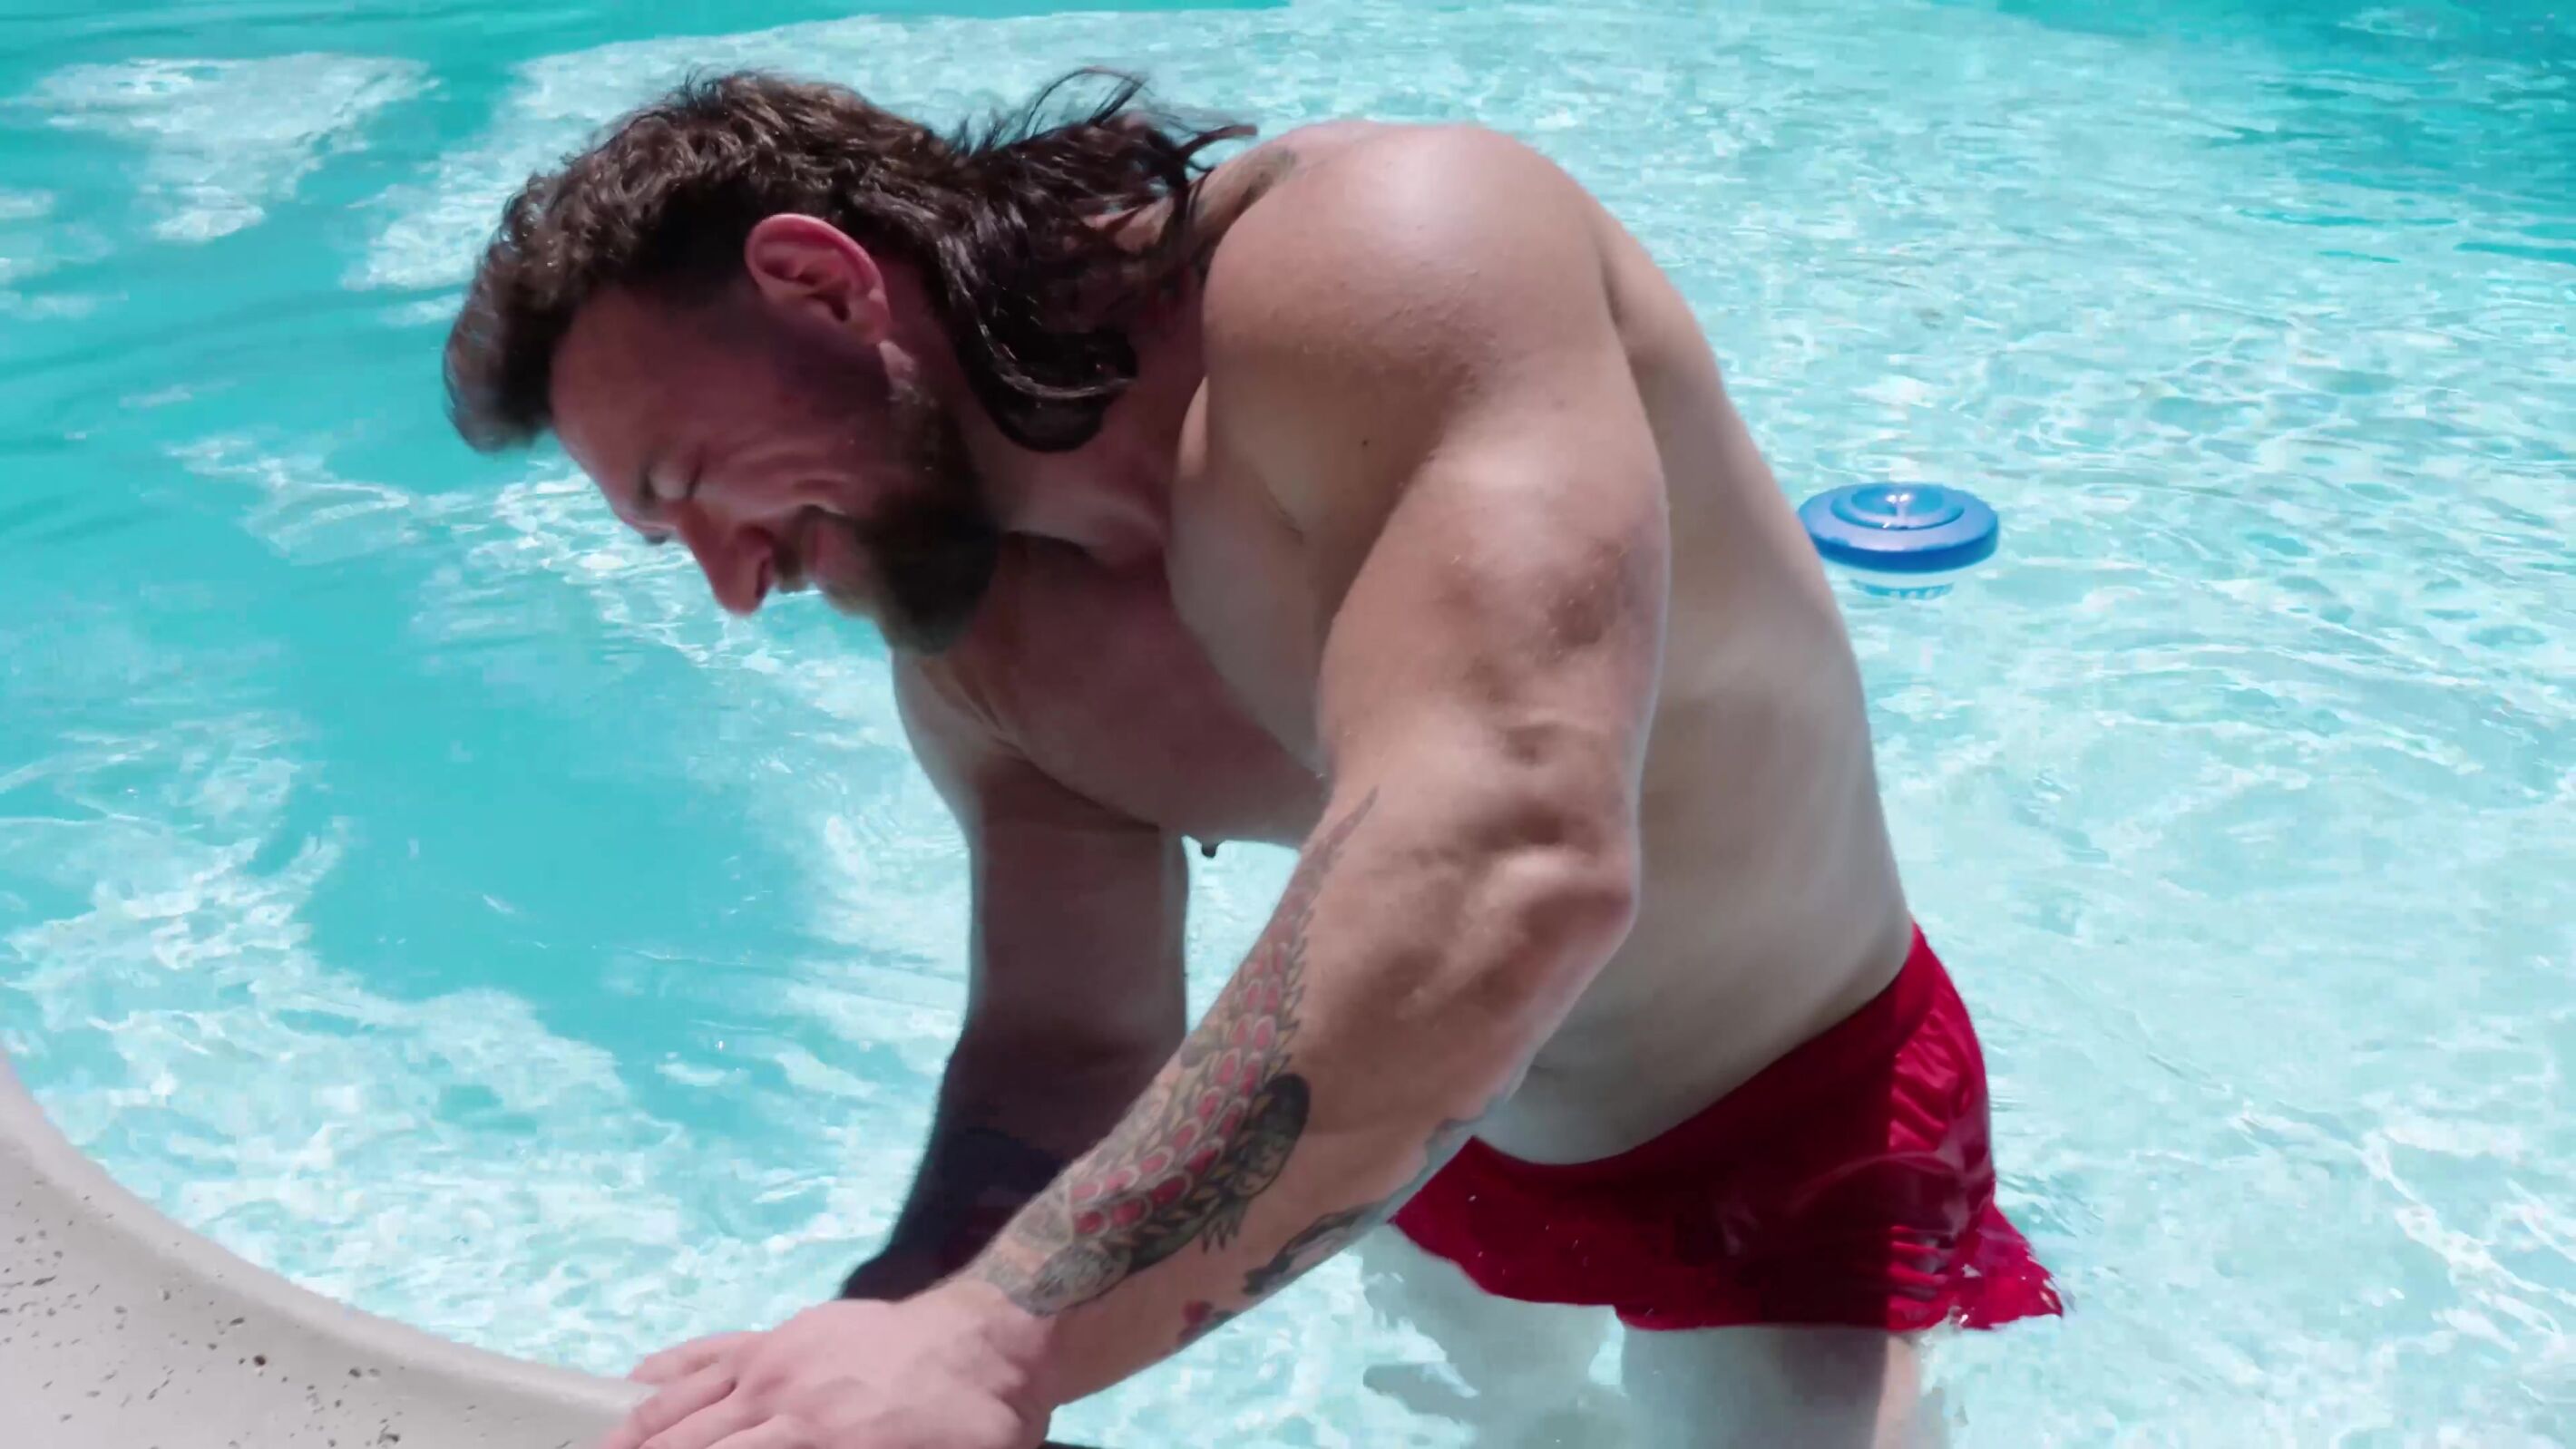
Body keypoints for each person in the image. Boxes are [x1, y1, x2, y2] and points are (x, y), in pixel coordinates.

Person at [443, 69, 2061, 1449]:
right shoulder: (988, 648)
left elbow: (1516, 859)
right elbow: (1064, 1046)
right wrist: (891, 1332)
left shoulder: (1388, 254)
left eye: (688, 484)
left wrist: (998, 1336)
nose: (732, 586)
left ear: (820, 284)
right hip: (1409, 1129)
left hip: (1793, 1129)